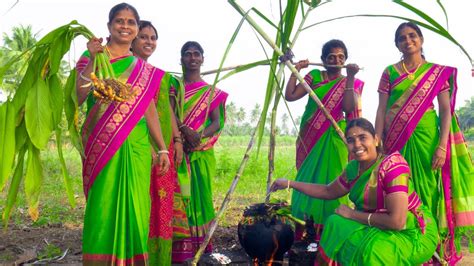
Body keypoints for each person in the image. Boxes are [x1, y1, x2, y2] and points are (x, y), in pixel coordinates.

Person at [75, 3, 170, 264]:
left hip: (137, 146)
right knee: (101, 208)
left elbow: (148, 108)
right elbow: (79, 96)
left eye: (130, 22)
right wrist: (93, 58)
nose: (125, 26)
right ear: (109, 27)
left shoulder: (143, 70)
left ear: (136, 29)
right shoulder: (92, 58)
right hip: (103, 144)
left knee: (137, 208)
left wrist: (161, 147)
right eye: (119, 21)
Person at [271, 118, 438, 265]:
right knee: (335, 223)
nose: (357, 144)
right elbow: (328, 191)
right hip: (375, 224)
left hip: (412, 231)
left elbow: (397, 222)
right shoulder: (353, 169)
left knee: (371, 252)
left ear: (376, 140)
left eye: (363, 137)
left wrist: (352, 214)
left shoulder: (393, 167)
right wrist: (290, 183)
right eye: (350, 140)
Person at [374, 22, 474, 263]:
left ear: (421, 39)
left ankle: (429, 246)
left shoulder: (436, 72)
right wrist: (378, 139)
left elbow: (445, 111)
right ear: (396, 44)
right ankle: (404, 244)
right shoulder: (389, 72)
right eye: (401, 38)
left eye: (412, 36)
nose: (407, 41)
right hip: (394, 138)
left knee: (427, 188)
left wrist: (441, 146)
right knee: (397, 188)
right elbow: (381, 109)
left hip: (427, 138)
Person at [284, 39, 363, 239]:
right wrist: (295, 71)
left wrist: (351, 78)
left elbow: (347, 107)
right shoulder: (314, 76)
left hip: (334, 137)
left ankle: (330, 230)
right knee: (305, 179)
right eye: (331, 57)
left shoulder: (348, 81)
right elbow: (290, 95)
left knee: (333, 180)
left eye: (341, 57)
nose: (336, 61)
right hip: (310, 135)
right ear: (323, 60)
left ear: (346, 60)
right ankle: (304, 228)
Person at [131, 20, 189, 266]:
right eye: (143, 37)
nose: (149, 42)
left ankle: (158, 259)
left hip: (163, 148)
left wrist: (176, 140)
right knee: (139, 201)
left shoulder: (159, 77)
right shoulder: (125, 70)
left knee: (161, 203)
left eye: (153, 37)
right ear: (133, 40)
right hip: (136, 145)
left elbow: (167, 109)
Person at [171, 41, 228, 263]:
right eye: (187, 54)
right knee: (179, 199)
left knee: (201, 198)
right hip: (176, 149)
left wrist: (198, 136)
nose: (192, 58)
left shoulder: (211, 92)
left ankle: (201, 248)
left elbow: (217, 122)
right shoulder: (173, 87)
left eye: (197, 54)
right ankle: (179, 248)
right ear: (181, 59)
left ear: (203, 59)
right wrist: (184, 132)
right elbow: (168, 112)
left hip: (200, 152)